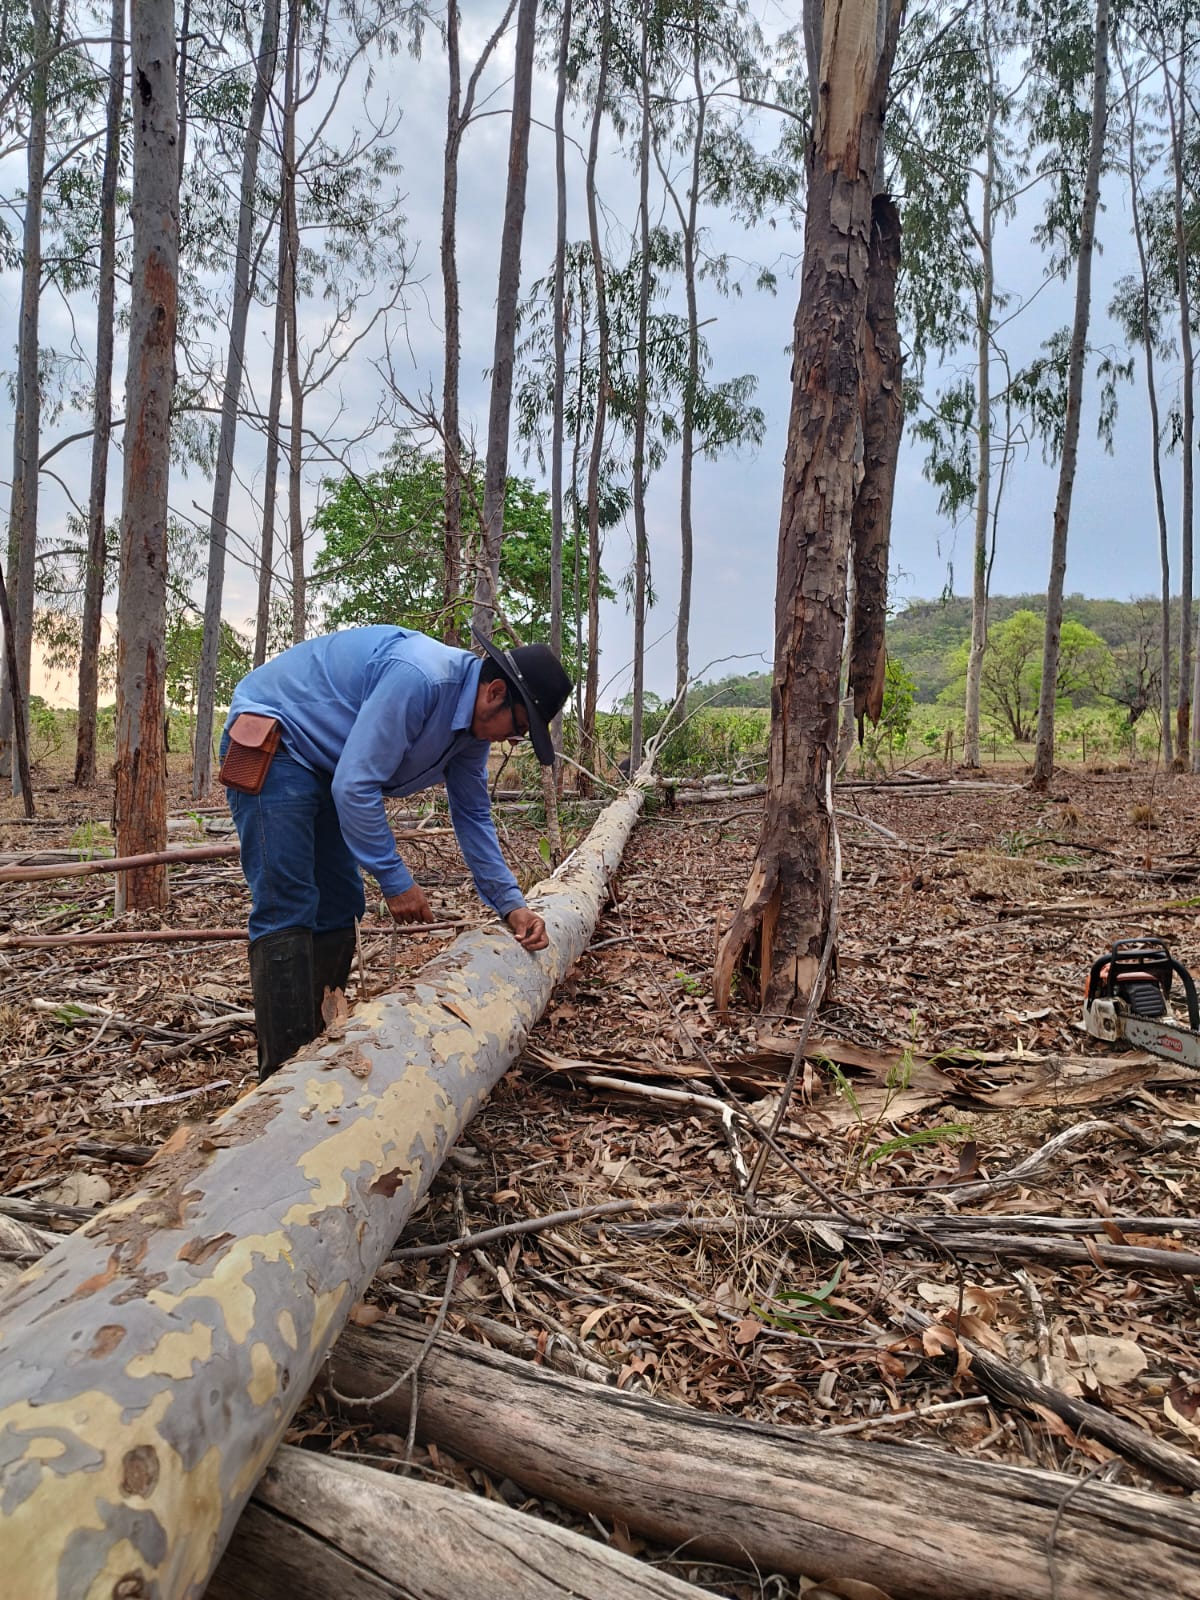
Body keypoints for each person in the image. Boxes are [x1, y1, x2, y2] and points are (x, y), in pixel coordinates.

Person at [220, 624, 572, 1080]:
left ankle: (314, 1049)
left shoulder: (470, 734)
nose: (511, 740)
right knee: (288, 903)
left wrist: (512, 905)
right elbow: (356, 785)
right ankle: (281, 1078)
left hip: (329, 763)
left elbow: (473, 815)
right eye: (519, 727)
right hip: (278, 737)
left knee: (342, 902)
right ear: (495, 692)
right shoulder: (420, 678)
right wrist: (396, 879)